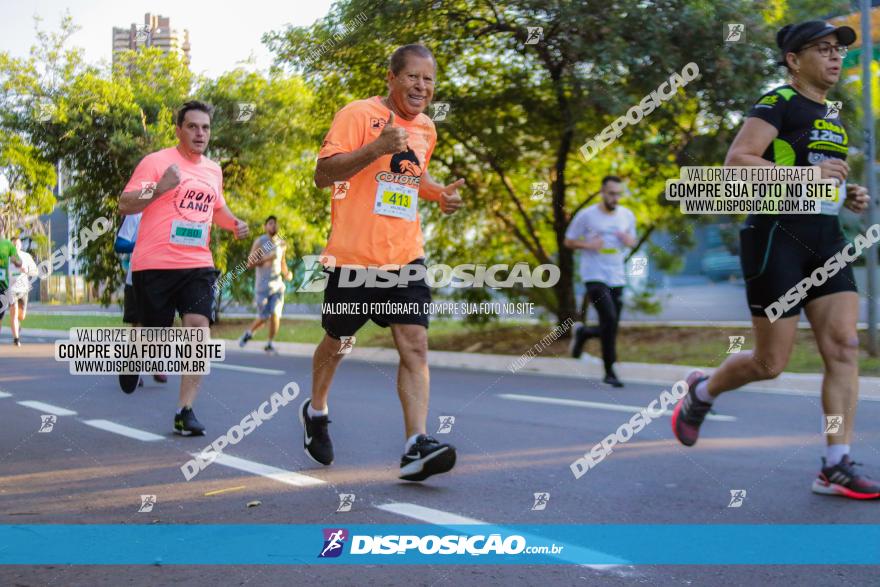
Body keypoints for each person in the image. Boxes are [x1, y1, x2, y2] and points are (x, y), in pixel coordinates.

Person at [670, 21, 880, 499]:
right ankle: (702, 392)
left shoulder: (831, 113)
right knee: (770, 363)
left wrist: (846, 193)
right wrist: (807, 176)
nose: (835, 58)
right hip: (775, 238)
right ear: (793, 60)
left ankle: (835, 463)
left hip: (824, 237)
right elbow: (738, 162)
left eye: (838, 51)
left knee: (844, 346)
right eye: (823, 50)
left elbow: (815, 178)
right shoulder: (776, 103)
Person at [302, 44, 464, 481]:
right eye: (412, 77)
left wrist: (439, 193)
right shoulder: (356, 114)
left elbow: (412, 177)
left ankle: (416, 444)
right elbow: (323, 175)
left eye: (428, 79)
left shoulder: (427, 129)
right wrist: (375, 147)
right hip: (354, 259)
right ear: (391, 78)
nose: (421, 86)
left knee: (414, 344)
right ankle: (316, 409)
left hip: (405, 256)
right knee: (337, 342)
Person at [118, 100, 249, 436]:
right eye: (192, 126)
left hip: (197, 264)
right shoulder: (156, 162)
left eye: (205, 127)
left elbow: (217, 208)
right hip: (154, 264)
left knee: (197, 328)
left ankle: (184, 410)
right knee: (156, 335)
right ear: (179, 130)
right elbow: (125, 202)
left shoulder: (213, 170)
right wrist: (160, 186)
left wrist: (234, 224)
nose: (199, 133)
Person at [564, 176, 637, 387]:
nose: (615, 198)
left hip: (617, 275)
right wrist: (588, 245)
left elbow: (632, 241)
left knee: (611, 324)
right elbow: (568, 241)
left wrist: (627, 240)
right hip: (594, 275)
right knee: (610, 318)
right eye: (611, 193)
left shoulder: (627, 215)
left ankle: (584, 332)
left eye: (618, 194)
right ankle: (609, 371)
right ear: (602, 192)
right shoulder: (587, 216)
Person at [114, 212, 168, 387]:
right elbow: (120, 245)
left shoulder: (168, 211)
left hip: (162, 277)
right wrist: (143, 245)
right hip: (137, 277)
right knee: (138, 326)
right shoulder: (135, 214)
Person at [238, 215, 292, 354]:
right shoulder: (260, 241)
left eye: (276, 224)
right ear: (265, 226)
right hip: (262, 286)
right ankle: (249, 333)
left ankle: (269, 343)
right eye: (270, 223)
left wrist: (287, 273)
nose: (273, 226)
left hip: (278, 285)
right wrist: (267, 258)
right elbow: (249, 263)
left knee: (275, 314)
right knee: (264, 317)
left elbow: (282, 262)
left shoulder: (281, 243)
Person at [7, 237, 38, 346]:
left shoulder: (26, 256)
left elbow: (35, 271)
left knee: (21, 316)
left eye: (17, 245)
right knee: (14, 313)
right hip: (11, 289)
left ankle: (17, 325)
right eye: (13, 245)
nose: (15, 247)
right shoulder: (5, 257)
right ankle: (16, 339)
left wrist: (27, 270)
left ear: (20, 245)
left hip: (24, 289)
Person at [0, 233, 22, 343]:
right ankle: (16, 337)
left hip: (10, 288)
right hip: (4, 287)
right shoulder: (7, 247)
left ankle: (16, 337)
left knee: (13, 313)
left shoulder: (9, 246)